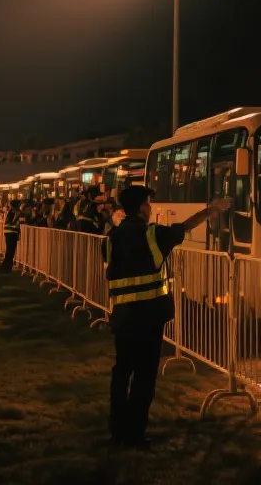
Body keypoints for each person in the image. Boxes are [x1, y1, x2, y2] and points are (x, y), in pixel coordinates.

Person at [103, 186, 231, 450]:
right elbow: (183, 227)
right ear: (141, 207)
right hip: (149, 317)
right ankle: (135, 434)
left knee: (121, 371)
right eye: (148, 203)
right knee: (144, 376)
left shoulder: (110, 238)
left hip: (123, 316)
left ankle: (117, 430)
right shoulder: (153, 234)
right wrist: (212, 210)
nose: (151, 207)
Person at [0, 199, 21, 272]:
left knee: (10, 251)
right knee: (10, 251)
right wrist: (17, 216)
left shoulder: (11, 212)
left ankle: (6, 267)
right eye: (19, 205)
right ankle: (6, 267)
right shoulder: (13, 212)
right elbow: (12, 222)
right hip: (11, 233)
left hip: (10, 233)